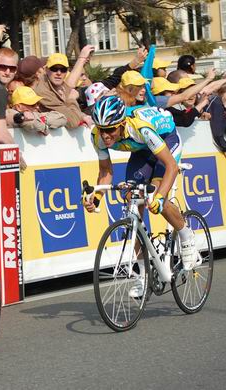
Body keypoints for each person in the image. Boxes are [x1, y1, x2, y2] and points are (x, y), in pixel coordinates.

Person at [84, 95, 199, 296]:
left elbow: (171, 166)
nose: (106, 135)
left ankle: (186, 236)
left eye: (110, 130)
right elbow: (105, 172)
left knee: (155, 196)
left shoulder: (139, 127)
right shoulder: (97, 136)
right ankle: (143, 275)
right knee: (132, 200)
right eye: (102, 129)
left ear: (122, 124)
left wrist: (160, 197)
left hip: (166, 139)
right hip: (142, 149)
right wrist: (96, 197)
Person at [34, 46, 95, 129]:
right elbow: (73, 122)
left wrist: (82, 116)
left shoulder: (59, 87)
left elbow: (70, 85)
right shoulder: (42, 92)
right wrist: (72, 99)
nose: (59, 73)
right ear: (47, 70)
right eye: (54, 69)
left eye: (63, 70)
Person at [207, 81, 226, 161]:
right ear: (222, 93)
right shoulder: (217, 104)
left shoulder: (223, 104)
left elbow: (224, 124)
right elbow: (217, 131)